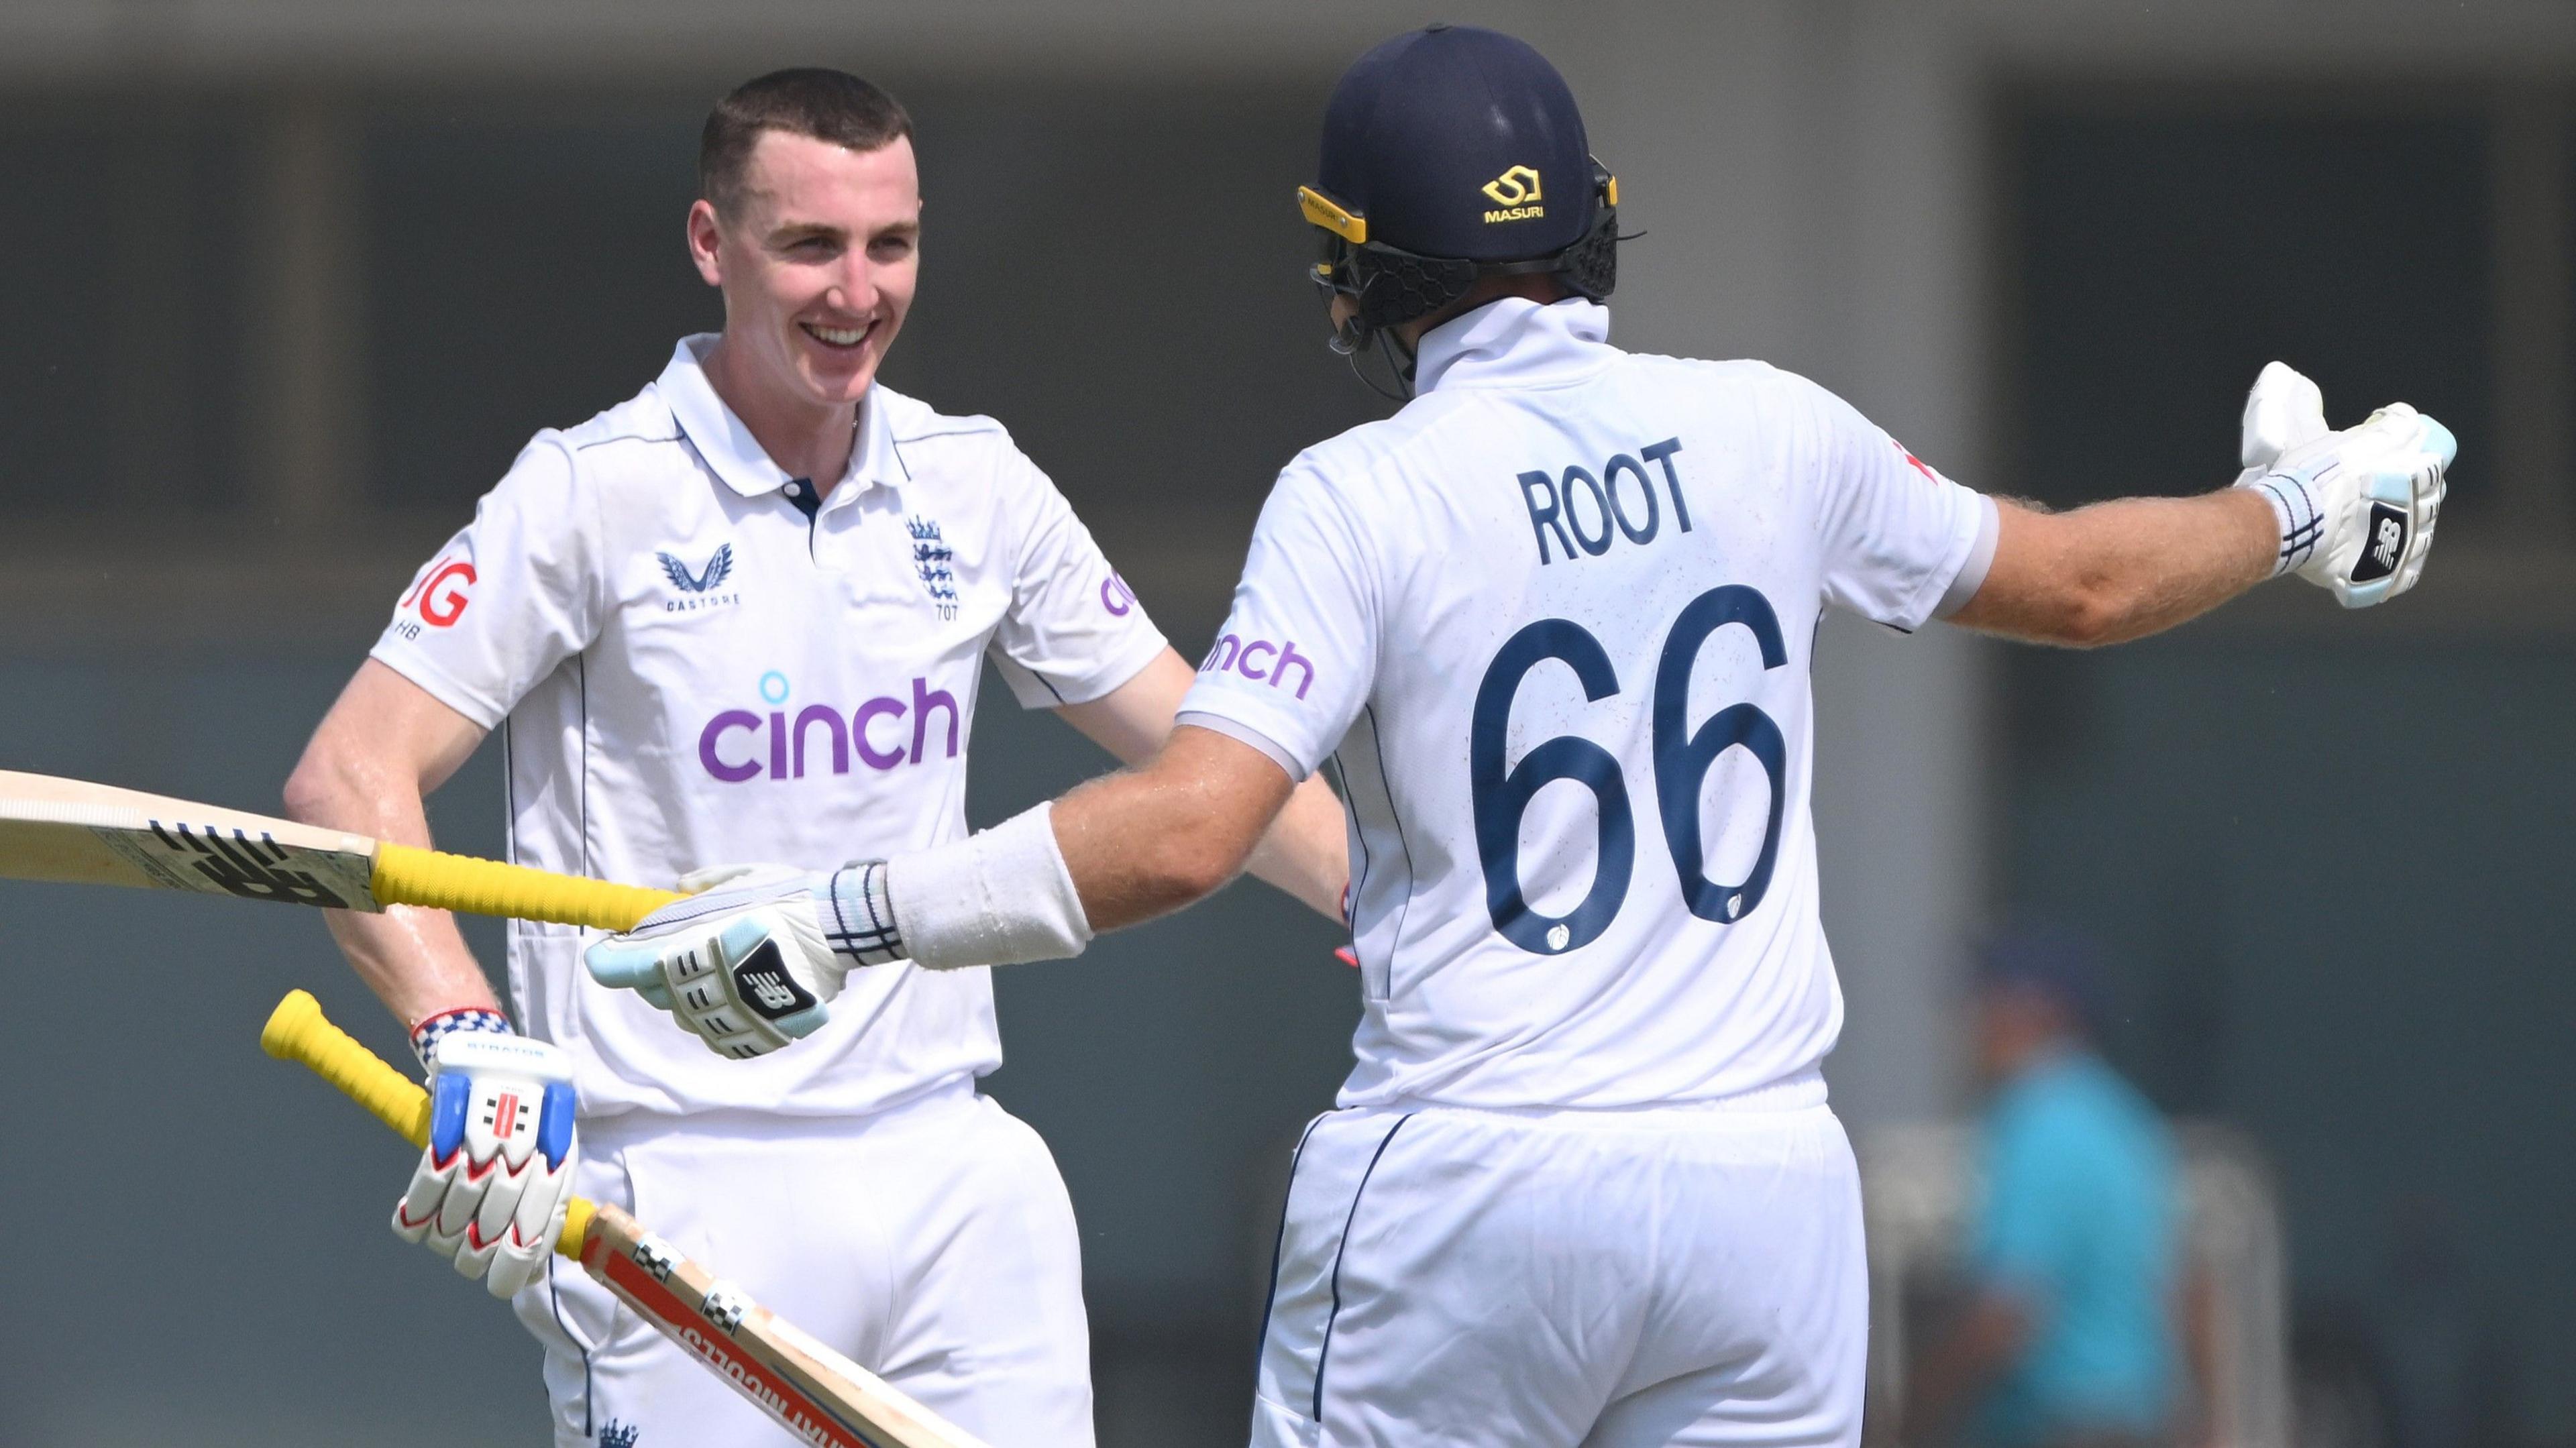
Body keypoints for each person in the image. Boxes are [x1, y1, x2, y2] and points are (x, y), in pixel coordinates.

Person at [582, 25, 2452, 1448]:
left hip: (1473, 1183)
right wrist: (2296, 513)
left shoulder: (1362, 492)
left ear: (1361, 267)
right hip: (1763, 1188)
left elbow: (1184, 830)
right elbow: (2091, 583)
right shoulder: (1766, 426)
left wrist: (844, 916)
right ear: (1592, 230)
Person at [281, 66, 1349, 1448]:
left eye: (889, 244)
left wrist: (1392, 910)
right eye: (809, 246)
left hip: (950, 1163)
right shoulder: (589, 491)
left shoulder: (978, 485)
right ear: (712, 245)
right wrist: (464, 1033)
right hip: (676, 1179)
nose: (856, 291)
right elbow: (347, 778)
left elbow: (1221, 760)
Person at [1900, 930, 2202, 1448]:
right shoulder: (2125, 1119)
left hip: (2063, 1428)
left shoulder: (2037, 1122)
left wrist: (1906, 1418)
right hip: (2141, 1424)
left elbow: (2005, 1313)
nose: (1970, 1024)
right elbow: (2189, 1290)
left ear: (2032, 1010)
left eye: (1985, 1001)